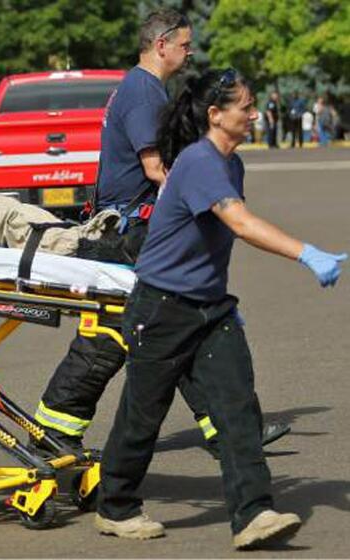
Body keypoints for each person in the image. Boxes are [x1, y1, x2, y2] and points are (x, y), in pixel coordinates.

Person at [93, 68, 345, 549]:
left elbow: (216, 239)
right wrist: (305, 252)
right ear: (215, 114)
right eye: (246, 107)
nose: (254, 115)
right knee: (143, 415)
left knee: (237, 408)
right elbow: (242, 224)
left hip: (210, 309)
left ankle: (254, 514)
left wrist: (215, 294)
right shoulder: (200, 162)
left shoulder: (232, 163)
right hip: (161, 308)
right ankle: (115, 506)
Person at [31, 9, 288, 459]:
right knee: (121, 337)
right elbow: (156, 169)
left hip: (130, 232)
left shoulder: (142, 89)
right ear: (162, 43)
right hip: (128, 237)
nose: (189, 54)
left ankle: (228, 430)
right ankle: (54, 429)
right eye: (185, 46)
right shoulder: (144, 94)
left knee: (169, 328)